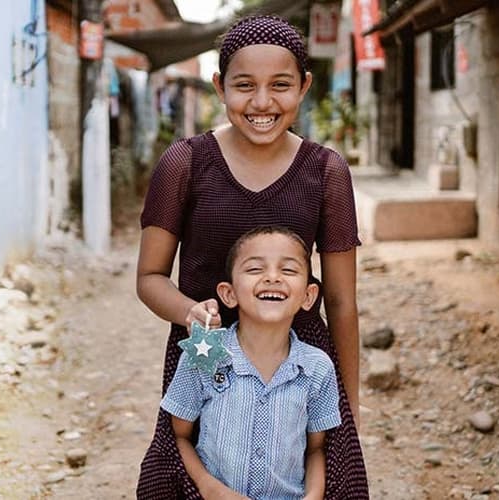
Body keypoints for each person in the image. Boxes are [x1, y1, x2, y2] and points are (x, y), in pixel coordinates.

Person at [136, 14, 369, 499]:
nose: (262, 103)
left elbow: (343, 303)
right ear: (220, 86)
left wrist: (347, 410)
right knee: (195, 482)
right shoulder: (184, 163)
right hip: (209, 357)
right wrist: (193, 316)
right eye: (245, 85)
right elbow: (151, 276)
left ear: (304, 86)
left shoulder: (326, 171)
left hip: (296, 361)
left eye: (280, 85)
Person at [162, 226, 341, 500]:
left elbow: (316, 448)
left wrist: (313, 496)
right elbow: (179, 435)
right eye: (255, 269)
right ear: (228, 294)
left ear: (308, 296)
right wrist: (209, 487)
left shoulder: (318, 368)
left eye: (289, 270)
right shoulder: (204, 356)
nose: (272, 277)